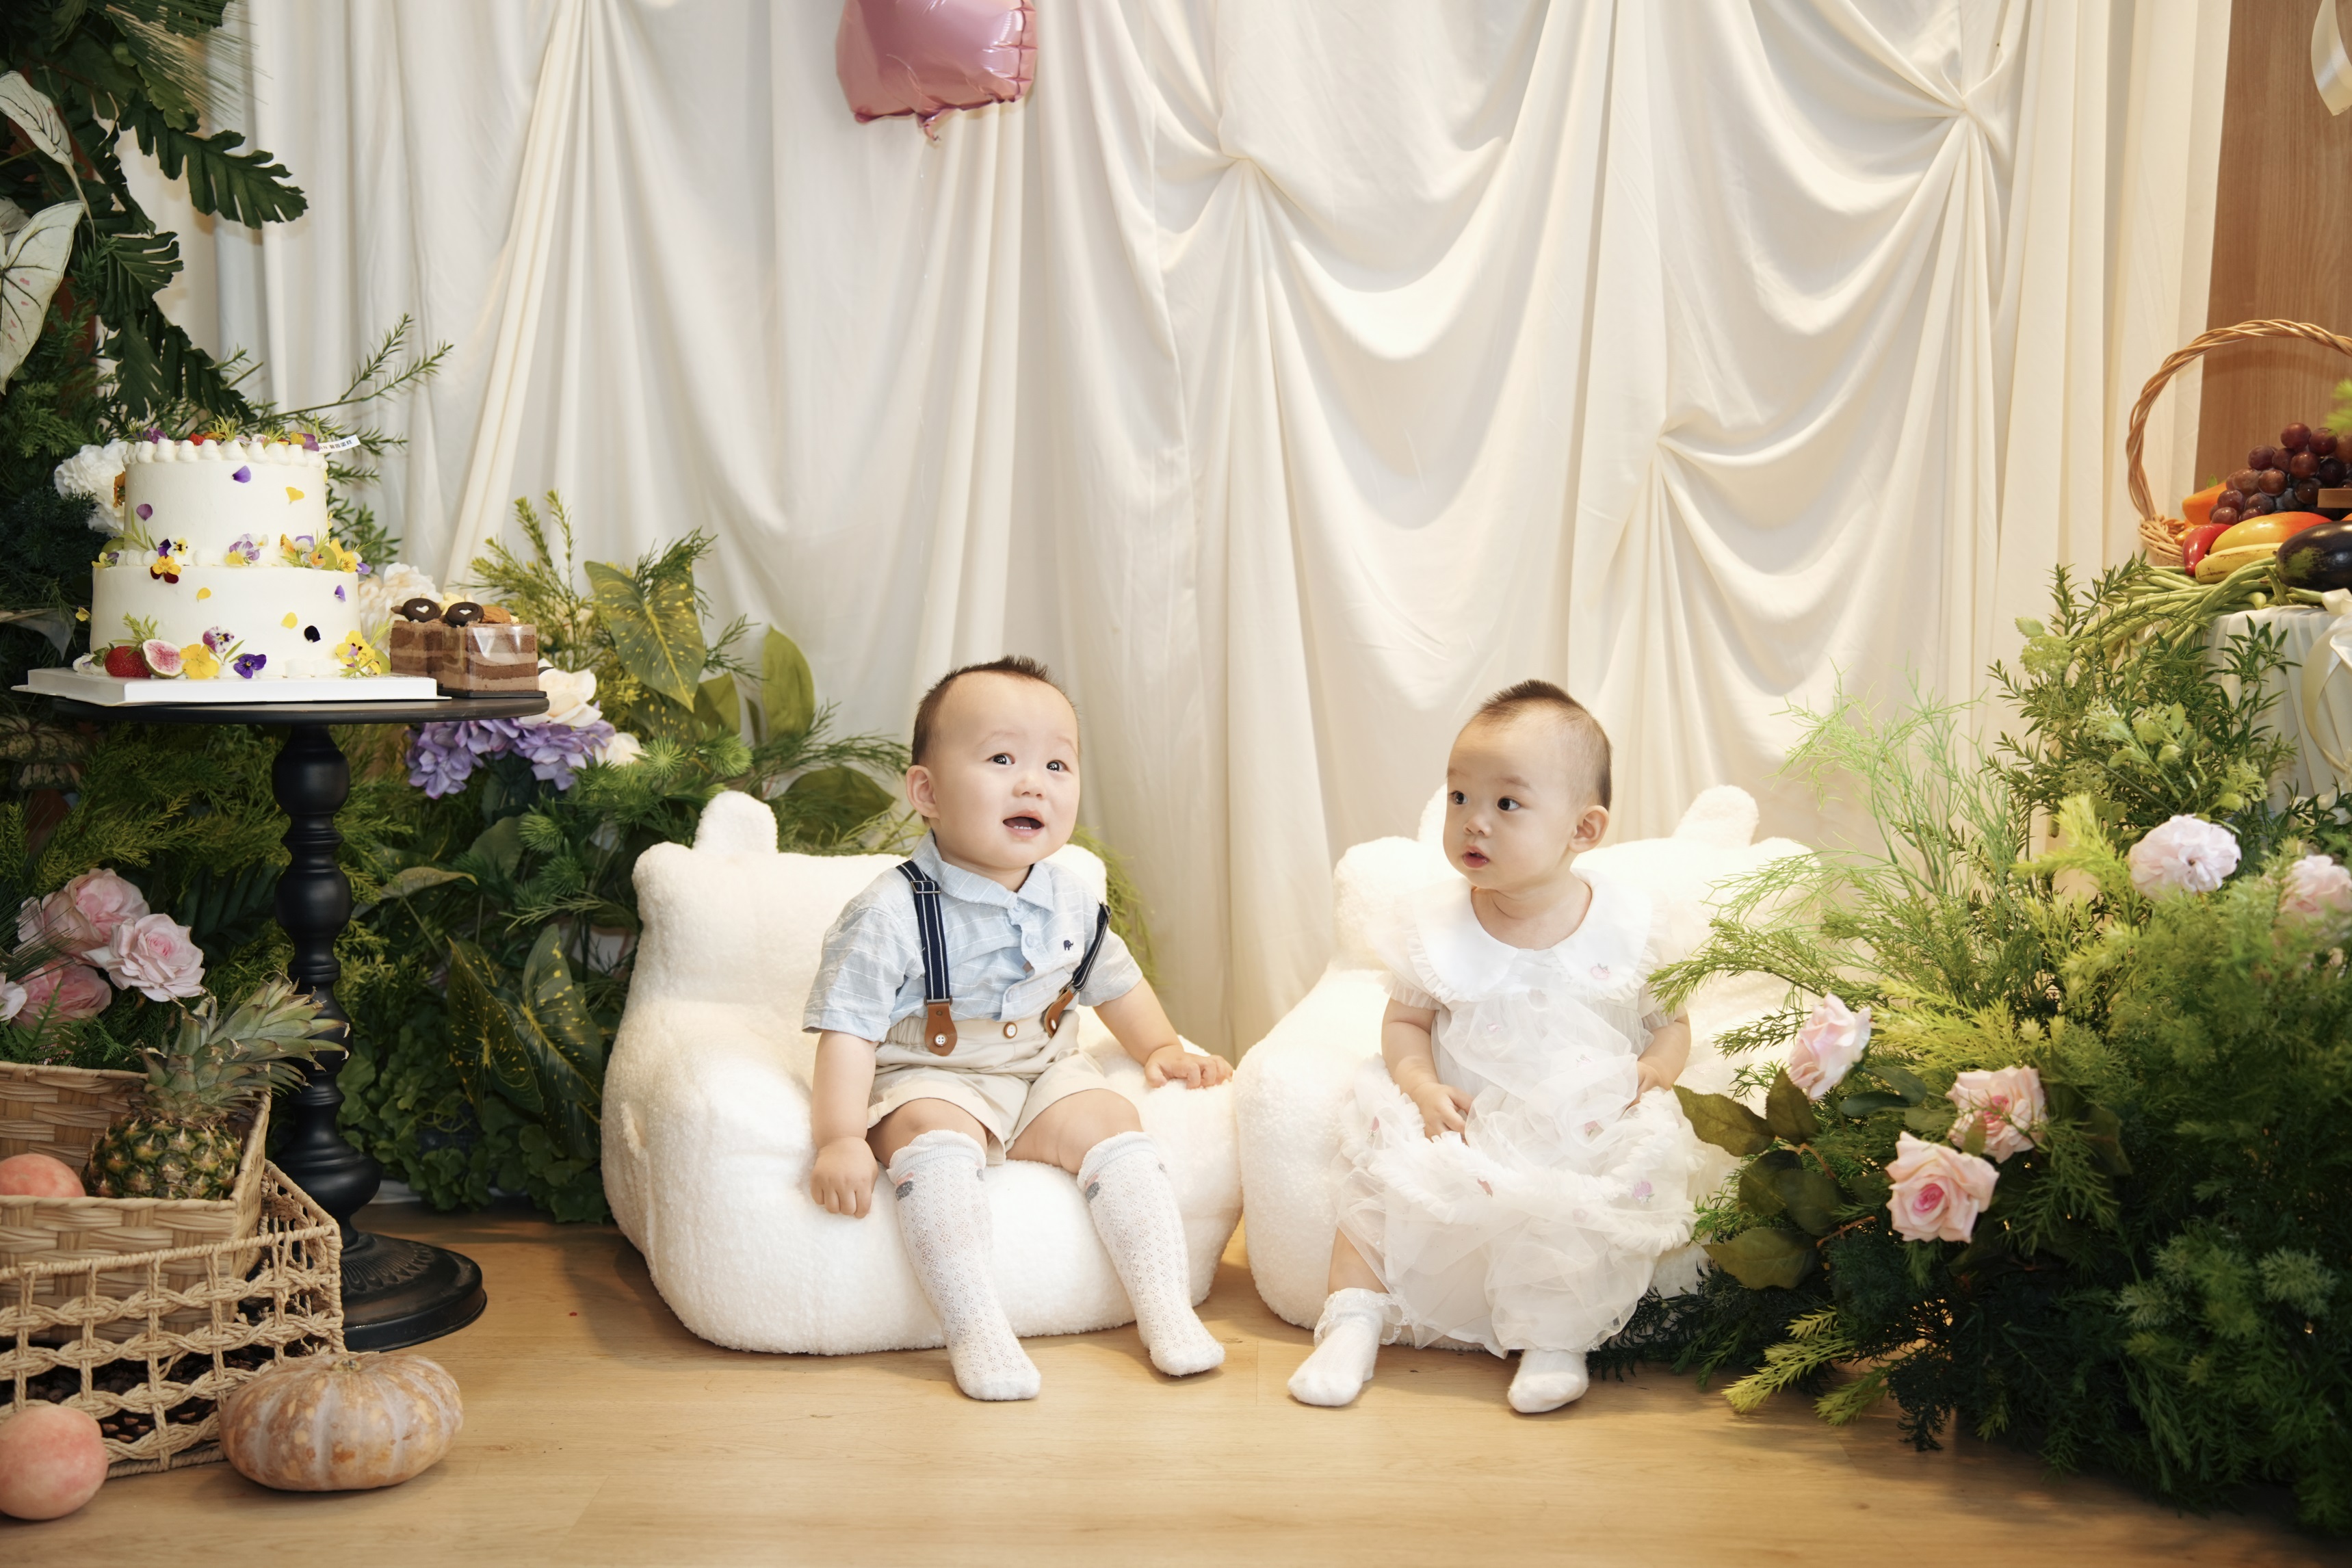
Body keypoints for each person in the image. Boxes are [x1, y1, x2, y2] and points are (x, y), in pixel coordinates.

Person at [803, 655, 1231, 1401]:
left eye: (1057, 765)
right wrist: (839, 1137)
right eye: (1001, 759)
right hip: (932, 1074)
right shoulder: (889, 912)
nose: (1033, 783)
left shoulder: (1072, 897)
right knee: (932, 1132)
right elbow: (849, 1032)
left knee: (1113, 1120)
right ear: (927, 792)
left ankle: (1165, 1308)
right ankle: (976, 1328)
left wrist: (1160, 1047)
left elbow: (1116, 984)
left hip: (1040, 1069)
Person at [1288, 680, 1702, 1414]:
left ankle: (1555, 1341)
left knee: (1573, 1211)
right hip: (1461, 1115)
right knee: (1381, 1184)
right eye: (1459, 797)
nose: (1473, 821)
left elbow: (1671, 1022)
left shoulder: (1632, 924)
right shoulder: (1434, 925)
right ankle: (1351, 1323)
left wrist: (1655, 1070)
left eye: (1507, 803)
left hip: (1575, 1121)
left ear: (1583, 829)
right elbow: (1406, 1024)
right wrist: (1419, 1086)